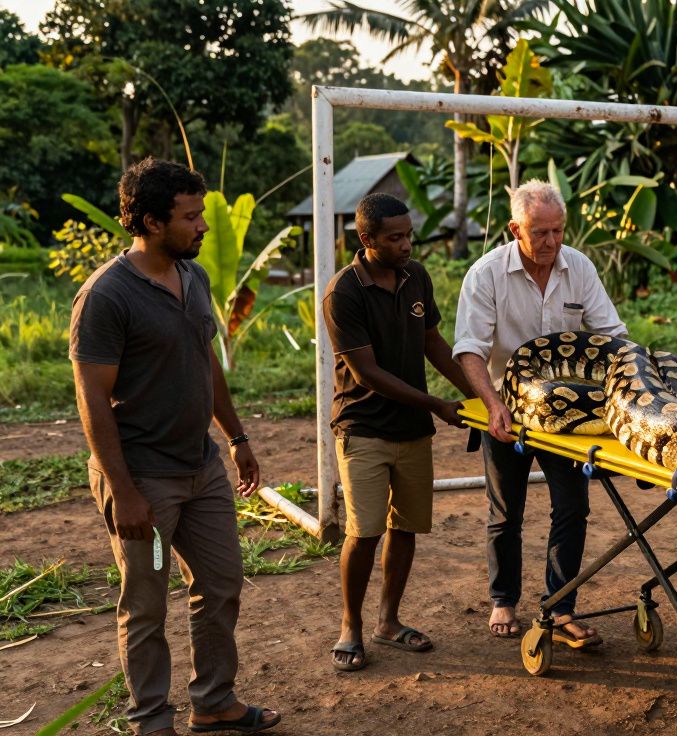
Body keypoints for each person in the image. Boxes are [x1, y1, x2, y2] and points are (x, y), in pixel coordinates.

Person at [70, 158, 280, 735]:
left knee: (221, 584)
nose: (203, 227)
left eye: (202, 214)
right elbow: (91, 398)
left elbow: (204, 359)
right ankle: (151, 720)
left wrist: (236, 438)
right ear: (150, 222)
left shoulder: (193, 277)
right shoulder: (107, 297)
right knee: (146, 605)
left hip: (202, 467)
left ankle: (213, 702)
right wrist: (125, 492)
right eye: (191, 217)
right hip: (144, 481)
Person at [453, 180, 627, 646]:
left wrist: (641, 375)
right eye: (539, 233)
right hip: (507, 410)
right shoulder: (486, 274)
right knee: (506, 511)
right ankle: (503, 600)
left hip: (566, 415)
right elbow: (469, 349)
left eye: (557, 231)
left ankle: (560, 607)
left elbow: (613, 334)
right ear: (515, 229)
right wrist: (492, 405)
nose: (551, 243)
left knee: (573, 507)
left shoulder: (580, 268)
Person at [322, 193, 473, 672]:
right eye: (395, 237)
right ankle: (352, 626)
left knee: (405, 527)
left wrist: (482, 395)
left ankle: (388, 622)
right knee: (364, 533)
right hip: (363, 425)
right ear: (367, 240)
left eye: (409, 234)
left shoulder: (417, 277)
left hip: (412, 428)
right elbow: (366, 372)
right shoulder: (342, 292)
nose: (407, 244)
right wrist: (436, 404)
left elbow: (433, 343)